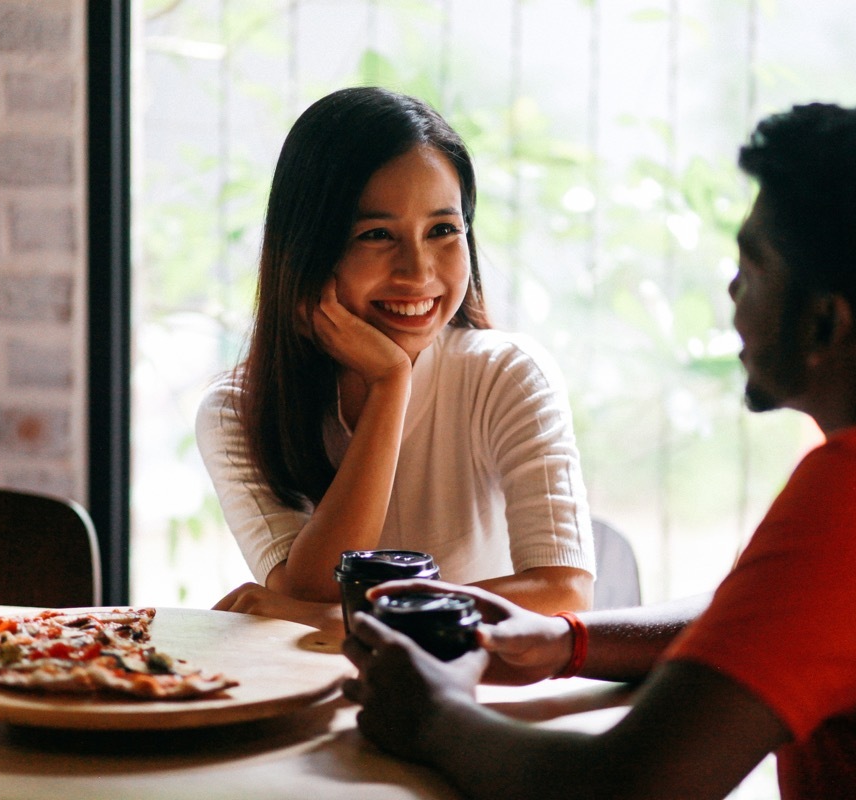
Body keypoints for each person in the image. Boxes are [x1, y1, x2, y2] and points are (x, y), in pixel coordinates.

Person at [340, 104, 856, 799]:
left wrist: (432, 716)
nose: (731, 292)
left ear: (825, 324)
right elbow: (774, 615)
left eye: (753, 268)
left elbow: (628, 786)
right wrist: (561, 640)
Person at [197, 87, 595, 631]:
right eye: (377, 234)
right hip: (315, 697)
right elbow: (314, 588)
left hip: (477, 700)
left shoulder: (508, 375)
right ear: (309, 250)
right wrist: (389, 384)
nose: (419, 271)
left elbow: (564, 591)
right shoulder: (235, 410)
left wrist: (354, 621)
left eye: (442, 231)